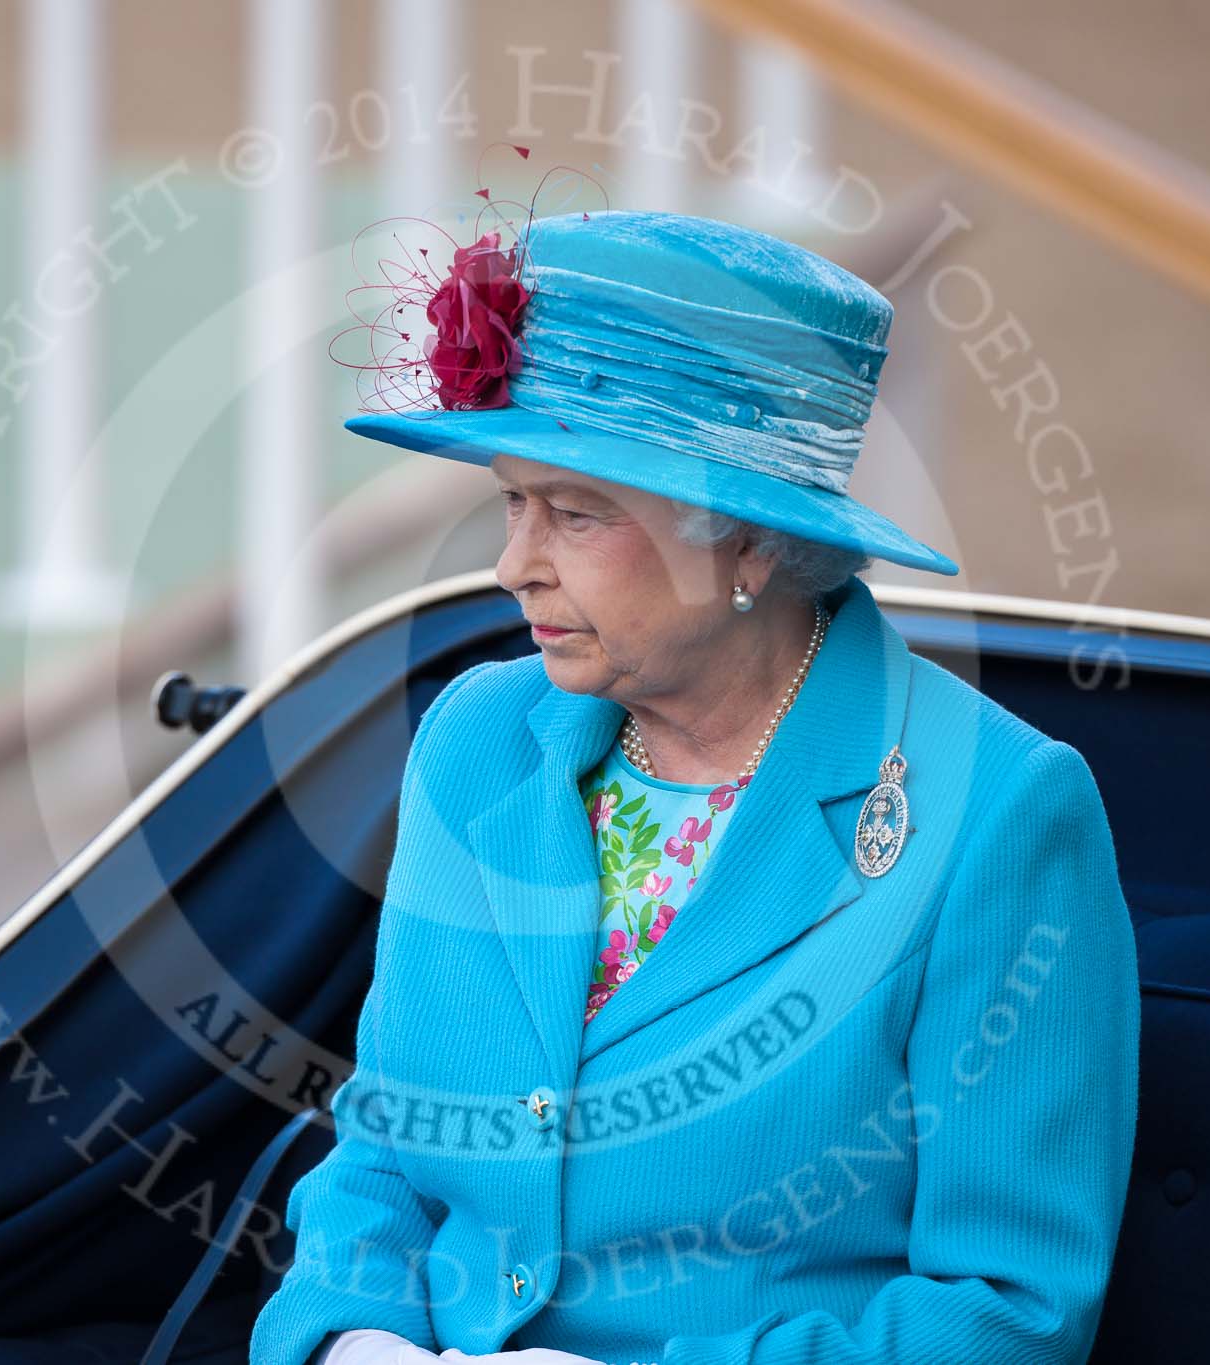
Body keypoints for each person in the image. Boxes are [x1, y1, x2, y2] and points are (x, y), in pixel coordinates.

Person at [250, 207, 1140, 1365]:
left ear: (751, 545)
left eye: (576, 512)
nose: (514, 563)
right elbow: (386, 1145)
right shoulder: (479, 738)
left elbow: (1011, 1313)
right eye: (511, 501)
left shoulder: (996, 810)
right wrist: (348, 1341)